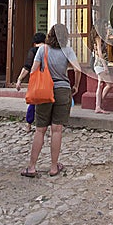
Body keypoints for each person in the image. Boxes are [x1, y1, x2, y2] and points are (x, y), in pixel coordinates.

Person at [21, 23, 81, 178]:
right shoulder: (67, 50)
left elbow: (34, 70)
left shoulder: (43, 49)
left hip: (45, 92)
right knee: (57, 130)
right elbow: (77, 69)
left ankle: (32, 166)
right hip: (63, 90)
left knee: (40, 130)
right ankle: (54, 167)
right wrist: (75, 86)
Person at [15, 32, 46, 132]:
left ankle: (28, 124)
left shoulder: (33, 51)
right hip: (48, 79)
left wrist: (19, 79)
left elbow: (27, 67)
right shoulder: (48, 50)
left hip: (36, 80)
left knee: (33, 102)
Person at [90, 19, 113, 113]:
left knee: (100, 85)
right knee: (109, 84)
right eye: (104, 26)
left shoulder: (98, 37)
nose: (105, 27)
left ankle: (98, 106)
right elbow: (100, 52)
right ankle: (100, 104)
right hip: (100, 64)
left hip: (98, 63)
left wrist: (107, 35)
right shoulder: (98, 37)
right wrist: (105, 66)